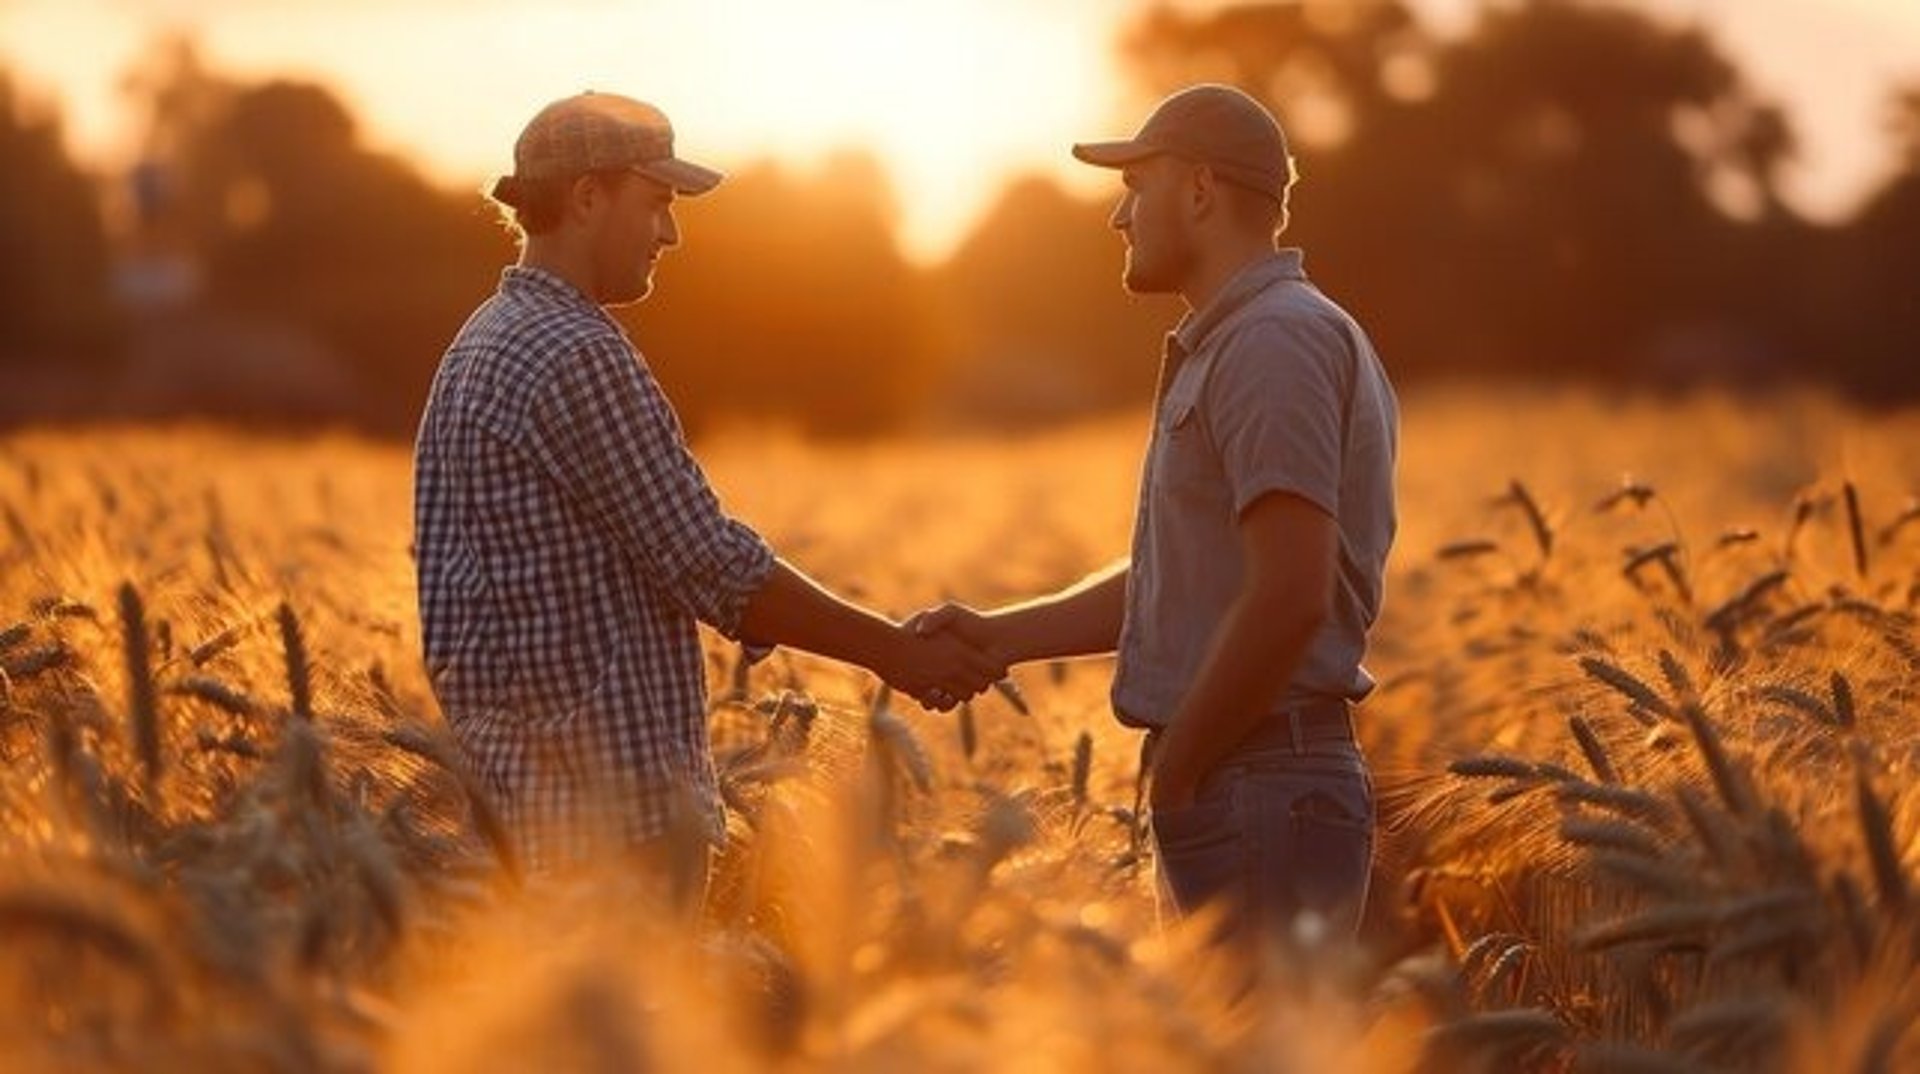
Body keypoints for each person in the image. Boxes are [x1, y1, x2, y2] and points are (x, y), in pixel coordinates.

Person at [412, 92, 1004, 882]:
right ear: (588, 197)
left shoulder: (478, 343)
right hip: (608, 820)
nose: (671, 233)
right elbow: (710, 564)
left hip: (523, 806)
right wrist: (894, 651)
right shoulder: (575, 353)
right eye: (656, 203)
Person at [914, 84, 1398, 951]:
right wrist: (999, 637)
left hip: (1258, 782)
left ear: (1201, 191)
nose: (1118, 217)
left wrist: (1179, 772)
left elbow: (1290, 592)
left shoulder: (1271, 343)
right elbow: (1189, 576)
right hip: (1255, 780)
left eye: (1137, 187)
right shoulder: (1251, 339)